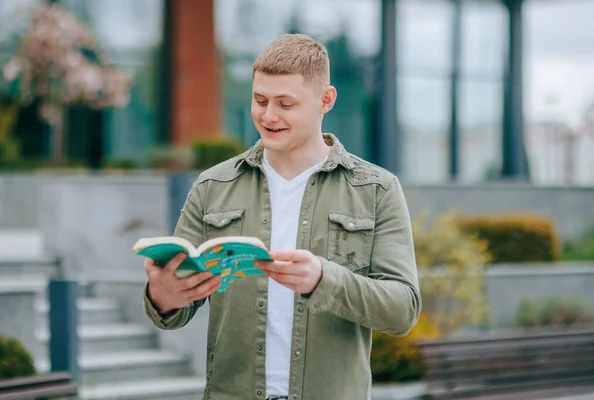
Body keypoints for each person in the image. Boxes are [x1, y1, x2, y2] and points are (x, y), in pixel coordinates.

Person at [142, 33, 421, 400]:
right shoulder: (213, 186)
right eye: (260, 100)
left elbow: (403, 310)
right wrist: (162, 295)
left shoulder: (376, 190)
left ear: (326, 100)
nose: (268, 116)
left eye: (285, 104)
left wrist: (324, 278)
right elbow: (174, 312)